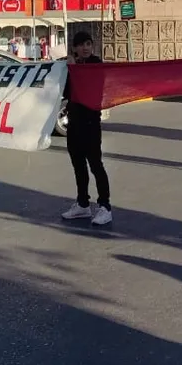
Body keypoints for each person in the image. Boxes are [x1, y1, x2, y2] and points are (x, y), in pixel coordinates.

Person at [60, 32, 112, 227]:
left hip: (90, 125)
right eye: (81, 44)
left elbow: (94, 86)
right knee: (78, 166)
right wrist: (68, 69)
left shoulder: (96, 65)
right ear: (74, 48)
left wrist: (74, 68)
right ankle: (83, 204)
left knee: (96, 166)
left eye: (88, 44)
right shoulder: (70, 67)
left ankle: (105, 207)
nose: (85, 48)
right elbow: (65, 92)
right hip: (74, 124)